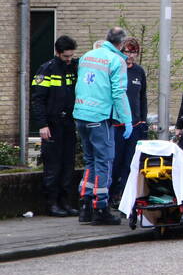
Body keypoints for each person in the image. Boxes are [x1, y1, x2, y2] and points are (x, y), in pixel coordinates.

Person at [73, 27, 132, 225]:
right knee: (104, 161)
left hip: (81, 114)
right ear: (122, 44)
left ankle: (85, 204)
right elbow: (118, 93)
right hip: (100, 117)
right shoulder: (117, 61)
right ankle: (101, 207)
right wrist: (127, 119)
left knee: (90, 159)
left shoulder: (87, 56)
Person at [31, 35, 79, 217]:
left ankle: (65, 202)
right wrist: (42, 124)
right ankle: (52, 204)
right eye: (66, 56)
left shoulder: (73, 68)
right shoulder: (46, 70)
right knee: (53, 166)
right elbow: (38, 100)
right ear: (57, 53)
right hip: (52, 124)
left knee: (68, 164)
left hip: (68, 123)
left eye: (71, 56)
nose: (69, 59)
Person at [110, 37, 148, 205]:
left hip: (135, 125)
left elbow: (142, 96)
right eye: (127, 51)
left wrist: (143, 120)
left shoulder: (139, 72)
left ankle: (126, 198)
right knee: (115, 162)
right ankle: (111, 196)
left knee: (130, 164)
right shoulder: (115, 69)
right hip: (118, 125)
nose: (131, 55)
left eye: (134, 52)